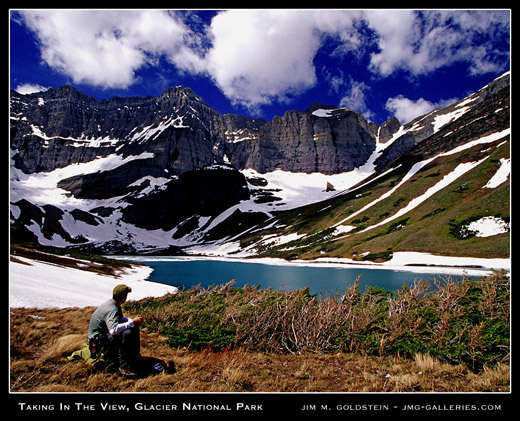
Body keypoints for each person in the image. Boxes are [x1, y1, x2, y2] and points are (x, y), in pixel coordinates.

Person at [88, 284, 144, 379]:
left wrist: (132, 321)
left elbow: (121, 318)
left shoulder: (113, 304)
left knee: (133, 327)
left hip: (99, 337)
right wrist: (131, 323)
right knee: (127, 333)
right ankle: (123, 368)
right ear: (124, 297)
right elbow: (113, 330)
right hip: (97, 342)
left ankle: (134, 356)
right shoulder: (112, 309)